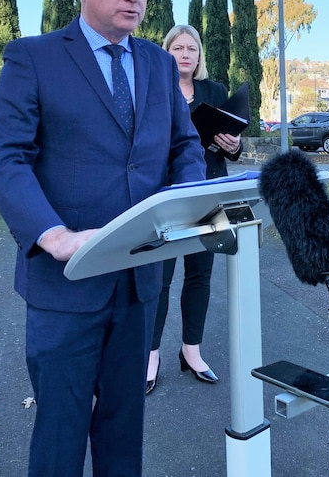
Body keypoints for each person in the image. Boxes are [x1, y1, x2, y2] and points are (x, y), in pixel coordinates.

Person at [0, 0, 206, 477]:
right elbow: (4, 156)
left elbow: (183, 146)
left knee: (123, 432)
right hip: (66, 282)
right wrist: (52, 235)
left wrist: (188, 204)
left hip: (138, 281)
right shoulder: (34, 58)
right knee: (60, 432)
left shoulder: (156, 63)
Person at [146, 25, 242, 395]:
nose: (185, 54)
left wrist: (232, 143)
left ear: (199, 56)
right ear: (166, 53)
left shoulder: (214, 92)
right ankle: (150, 355)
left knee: (200, 275)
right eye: (177, 48)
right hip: (165, 195)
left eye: (192, 49)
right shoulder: (154, 90)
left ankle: (191, 351)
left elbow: (232, 145)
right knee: (160, 279)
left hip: (208, 192)